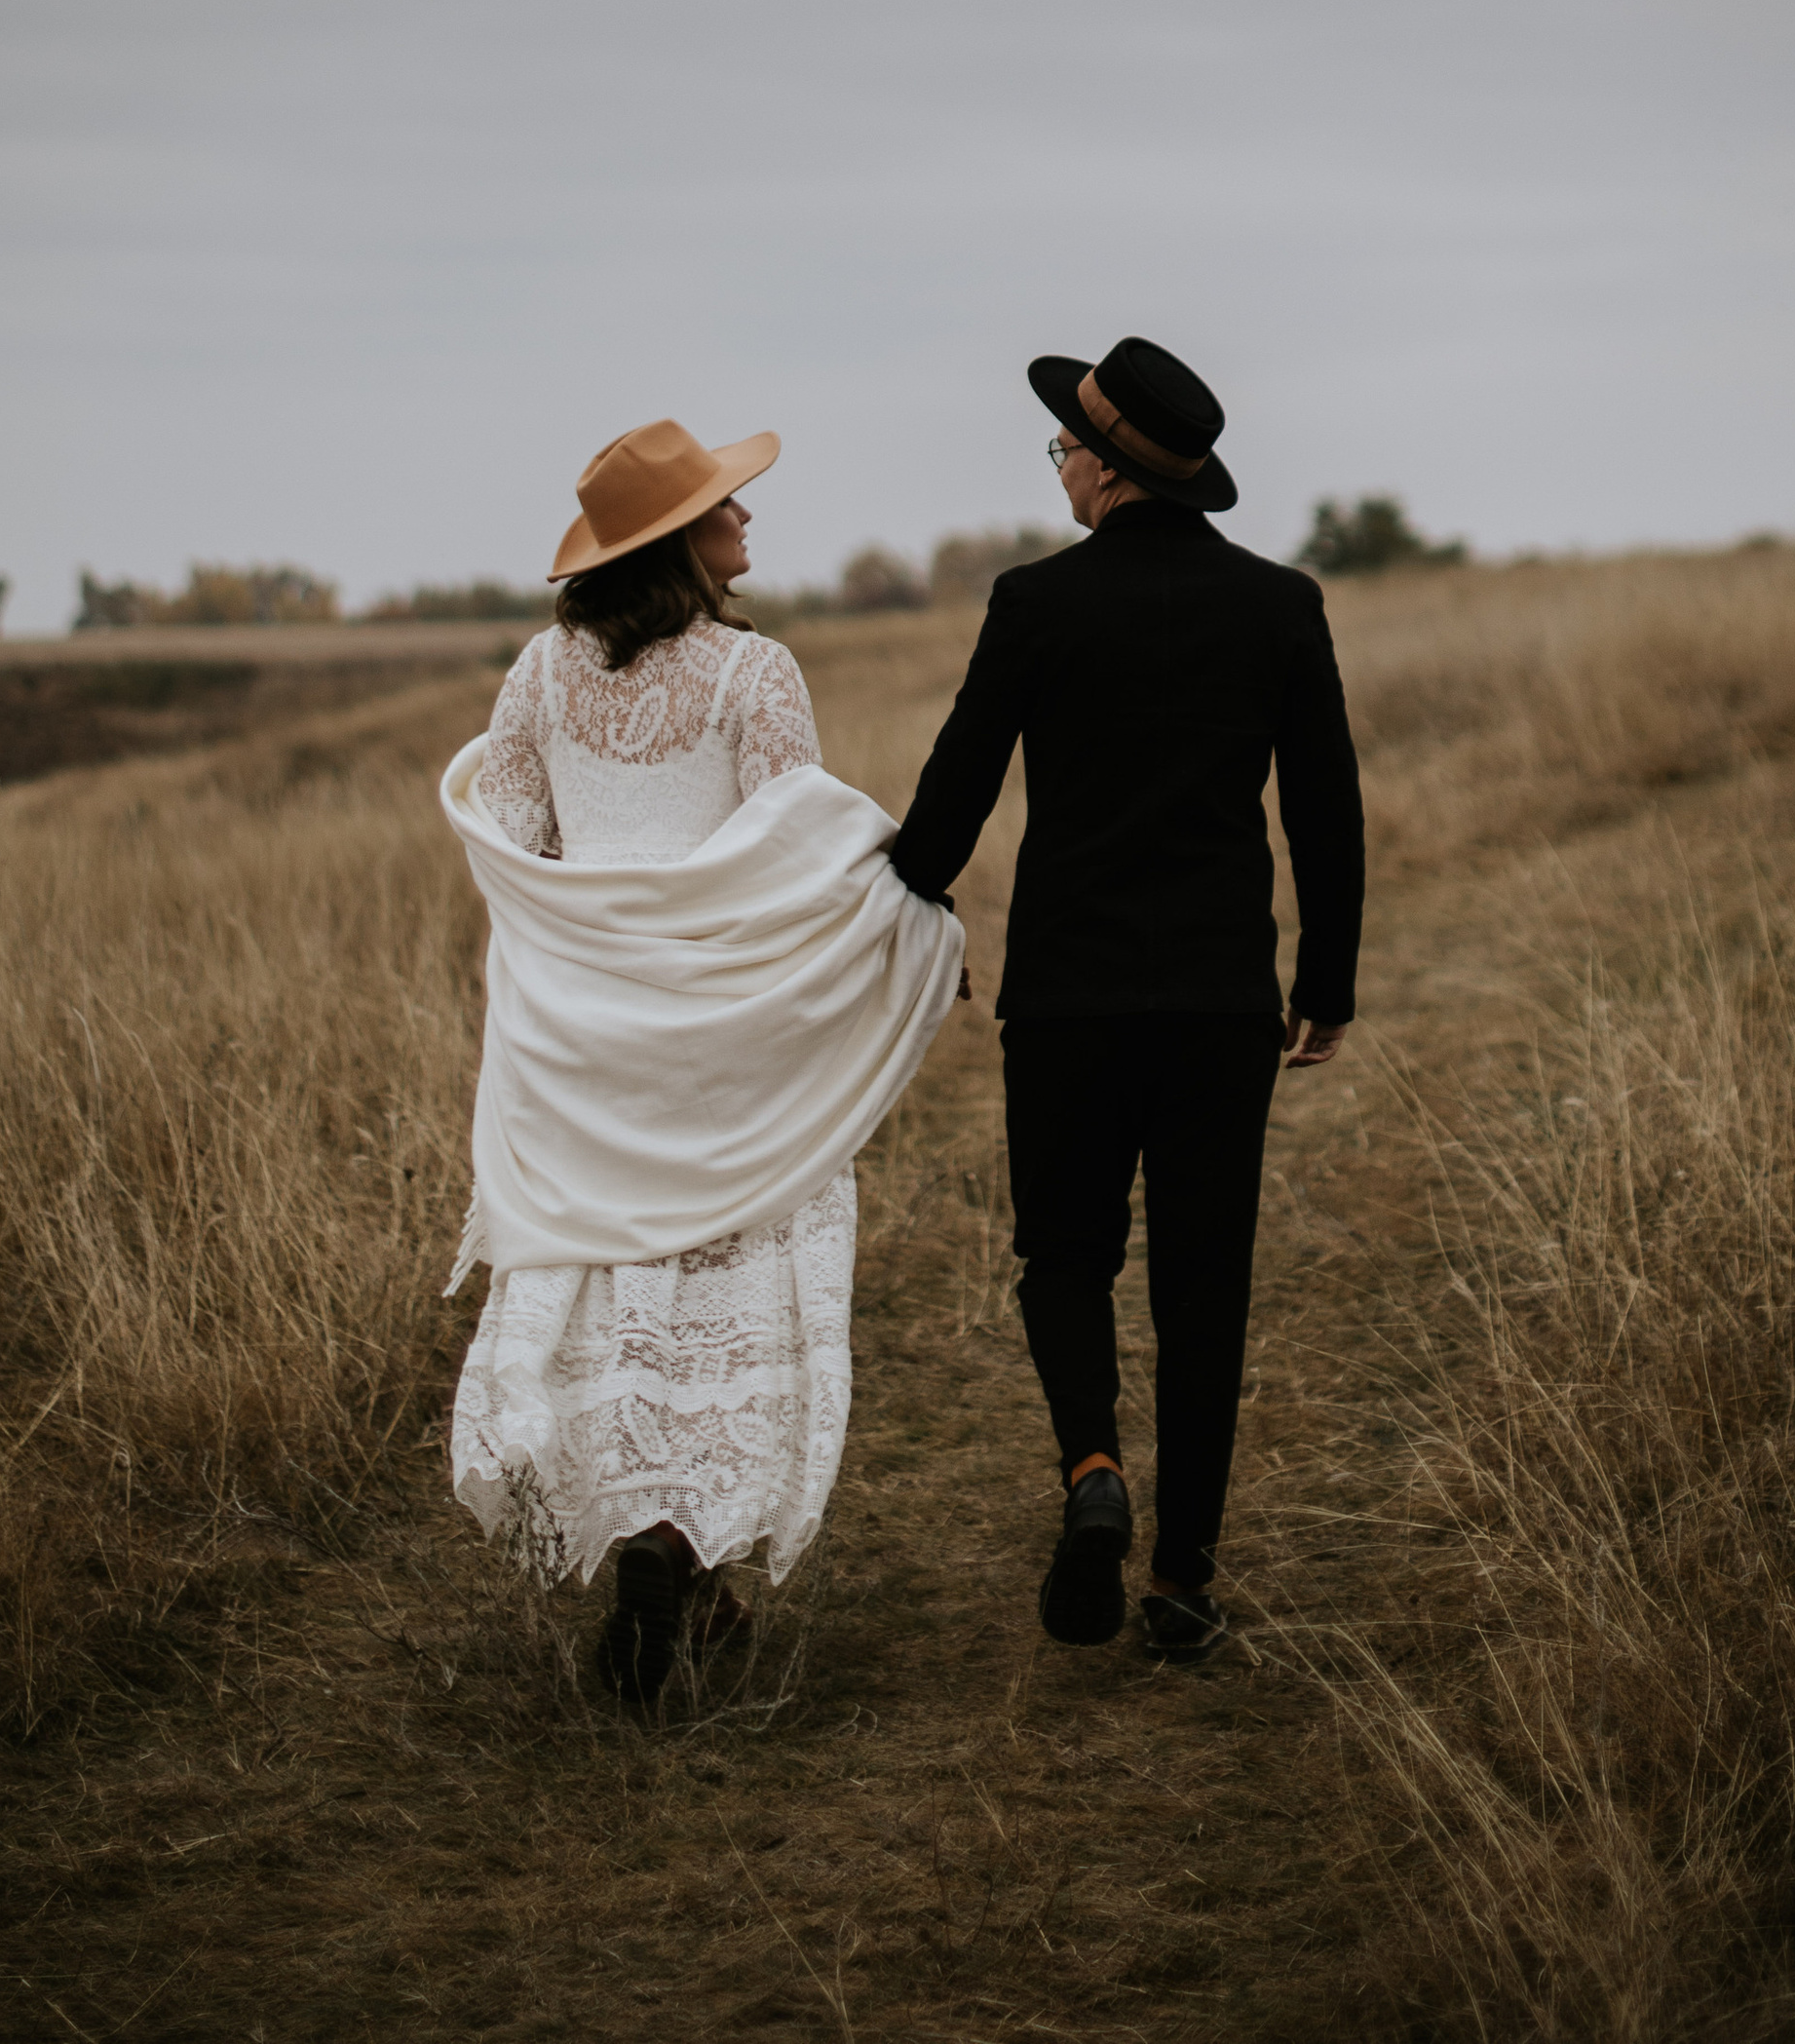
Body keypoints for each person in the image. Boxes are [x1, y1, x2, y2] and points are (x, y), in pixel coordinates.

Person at [442, 415, 962, 1703]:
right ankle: (685, 1547)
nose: (749, 522)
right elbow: (794, 863)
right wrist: (914, 938)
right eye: (729, 507)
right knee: (720, 1280)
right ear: (681, 543)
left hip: (584, 1037)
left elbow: (514, 850)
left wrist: (591, 947)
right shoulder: (755, 675)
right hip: (718, 1035)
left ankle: (654, 1549)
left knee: (616, 1279)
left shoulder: (537, 676)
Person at [887, 336, 1363, 1663]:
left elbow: (946, 818)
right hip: (1219, 1001)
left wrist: (898, 909)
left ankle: (1093, 1468)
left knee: (1066, 1256)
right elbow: (1325, 812)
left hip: (1068, 1000)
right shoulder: (1281, 605)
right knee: (1204, 1283)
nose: (1060, 468)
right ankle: (1186, 1584)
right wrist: (1324, 984)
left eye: (1063, 451)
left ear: (1101, 469)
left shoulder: (1035, 604)